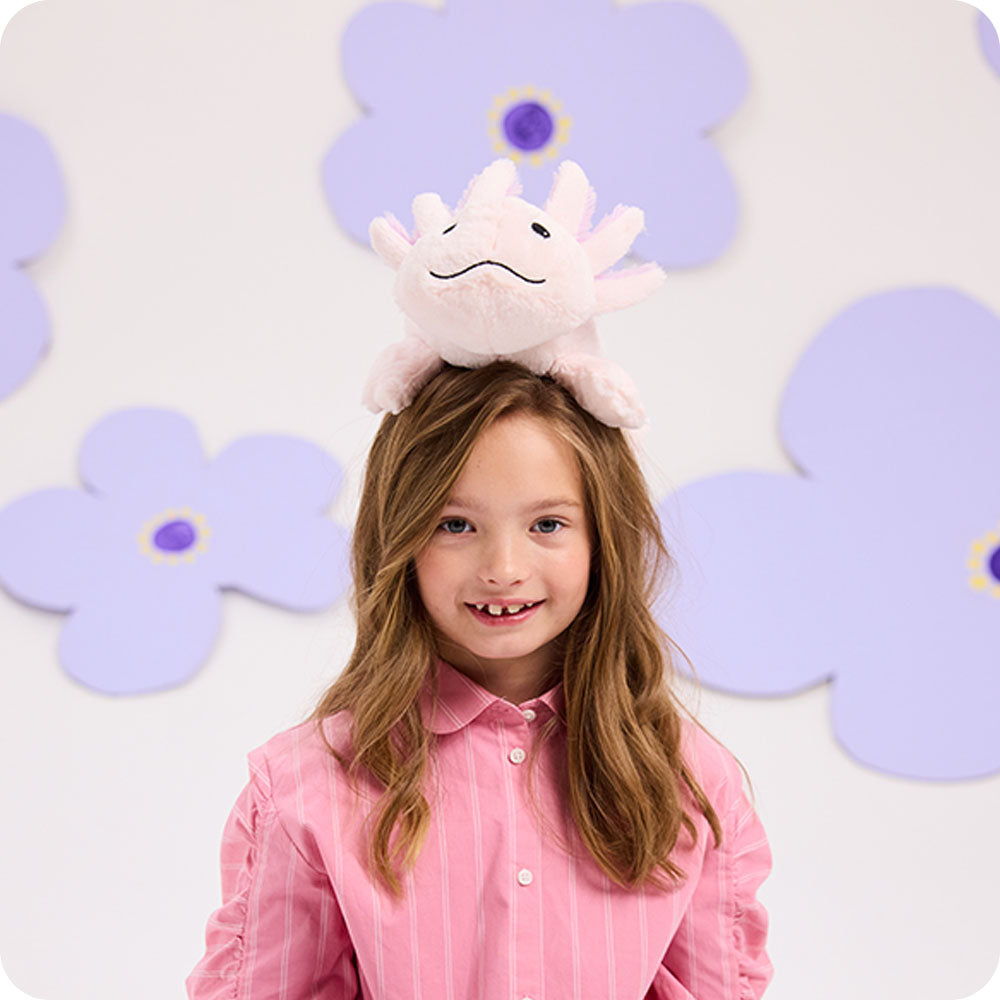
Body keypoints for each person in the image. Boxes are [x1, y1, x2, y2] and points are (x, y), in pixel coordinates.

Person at [186, 360, 773, 1000]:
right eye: (455, 524)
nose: (503, 567)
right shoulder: (307, 787)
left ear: (603, 540)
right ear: (399, 539)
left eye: (547, 524)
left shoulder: (689, 782)